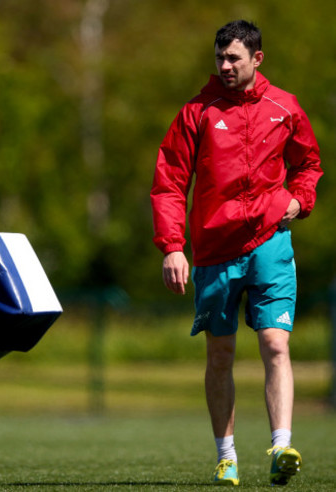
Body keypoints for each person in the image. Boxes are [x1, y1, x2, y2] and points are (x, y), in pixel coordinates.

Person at [151, 20, 322, 487]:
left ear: (257, 59)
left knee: (275, 343)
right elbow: (168, 183)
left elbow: (308, 163)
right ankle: (226, 457)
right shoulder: (196, 112)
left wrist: (298, 200)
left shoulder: (284, 107)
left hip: (270, 240)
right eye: (220, 59)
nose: (225, 66)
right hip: (214, 249)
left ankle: (281, 446)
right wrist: (172, 246)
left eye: (234, 59)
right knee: (221, 355)